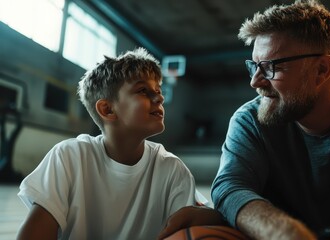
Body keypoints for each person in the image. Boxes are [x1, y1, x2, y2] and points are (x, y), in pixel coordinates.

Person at [159, 0, 330, 239]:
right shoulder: (249, 120)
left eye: (271, 67)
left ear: (321, 69)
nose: (255, 81)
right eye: (254, 65)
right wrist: (277, 230)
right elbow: (231, 186)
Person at [16, 47, 205, 239]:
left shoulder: (172, 169)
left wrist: (212, 215)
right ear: (107, 109)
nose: (160, 97)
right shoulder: (70, 156)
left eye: (158, 90)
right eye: (143, 90)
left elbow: (199, 220)